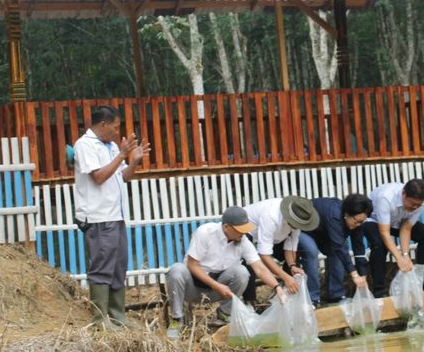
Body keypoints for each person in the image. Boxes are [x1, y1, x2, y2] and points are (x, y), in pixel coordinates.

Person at [73, 105, 150, 327]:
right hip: (97, 217)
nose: (117, 132)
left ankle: (118, 315)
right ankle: (100, 318)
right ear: (103, 124)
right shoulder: (85, 145)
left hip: (116, 215)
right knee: (102, 266)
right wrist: (122, 154)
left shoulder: (111, 146)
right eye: (115, 128)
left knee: (118, 265)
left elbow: (122, 176)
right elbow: (98, 177)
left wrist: (133, 161)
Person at [165, 206, 286, 339]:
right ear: (227, 227)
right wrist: (216, 286)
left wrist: (277, 287)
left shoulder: (243, 241)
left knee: (242, 272)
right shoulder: (205, 233)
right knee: (176, 270)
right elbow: (192, 265)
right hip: (192, 286)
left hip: (219, 288)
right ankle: (176, 320)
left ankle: (224, 314)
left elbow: (259, 268)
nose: (243, 234)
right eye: (240, 230)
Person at [361, 179, 424, 296]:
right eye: (413, 203)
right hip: (374, 220)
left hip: (397, 220)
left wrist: (405, 255)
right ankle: (379, 289)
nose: (415, 207)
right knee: (379, 244)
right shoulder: (386, 198)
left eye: (418, 205)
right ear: (404, 193)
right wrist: (399, 258)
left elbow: (406, 228)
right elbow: (384, 232)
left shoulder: (419, 204)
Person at [242, 196, 320, 303]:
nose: (297, 227)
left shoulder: (298, 220)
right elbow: (264, 255)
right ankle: (250, 301)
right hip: (248, 229)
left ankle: (286, 294)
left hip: (275, 236)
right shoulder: (271, 217)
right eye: (296, 224)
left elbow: (290, 247)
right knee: (250, 262)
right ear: (289, 218)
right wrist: (285, 277)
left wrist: (292, 266)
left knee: (294, 262)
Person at [300, 194, 372, 305]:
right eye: (356, 221)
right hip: (306, 230)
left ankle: (336, 295)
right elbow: (339, 247)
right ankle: (313, 299)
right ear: (347, 214)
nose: (358, 224)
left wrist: (362, 274)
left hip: (325, 233)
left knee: (337, 254)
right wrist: (355, 275)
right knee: (312, 251)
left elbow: (358, 247)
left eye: (362, 222)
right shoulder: (334, 215)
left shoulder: (358, 220)